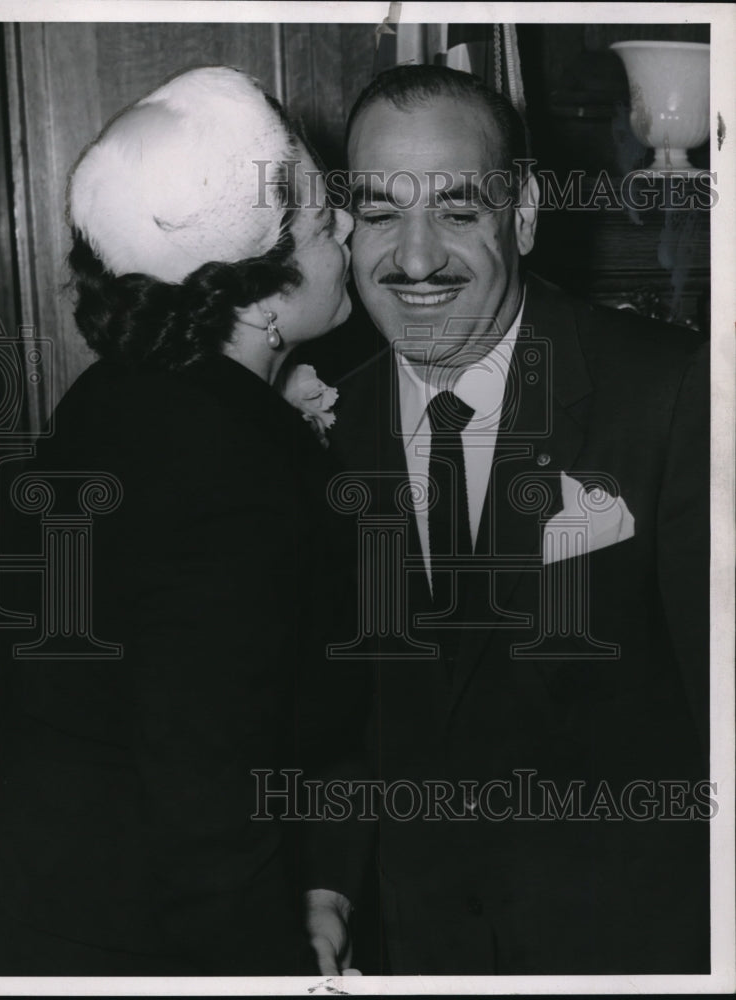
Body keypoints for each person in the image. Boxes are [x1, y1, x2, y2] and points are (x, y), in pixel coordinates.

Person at [319, 64, 710, 975]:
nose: (414, 260)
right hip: (413, 950)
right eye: (380, 213)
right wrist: (329, 885)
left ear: (524, 212)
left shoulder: (670, 393)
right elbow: (336, 717)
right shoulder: (321, 423)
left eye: (457, 212)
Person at [0, 66, 359, 975]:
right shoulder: (229, 465)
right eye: (321, 221)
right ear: (260, 293)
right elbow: (205, 788)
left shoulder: (116, 396)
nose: (348, 225)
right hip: (146, 940)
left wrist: (313, 885)